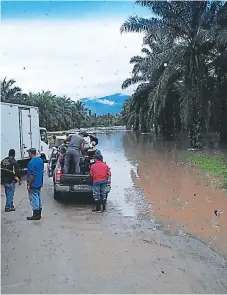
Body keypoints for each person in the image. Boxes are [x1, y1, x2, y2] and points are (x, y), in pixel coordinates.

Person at [26, 148, 44, 220]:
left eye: (28, 153)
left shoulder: (31, 162)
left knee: (34, 198)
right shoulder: (40, 160)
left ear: (30, 153)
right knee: (38, 197)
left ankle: (35, 214)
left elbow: (32, 175)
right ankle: (39, 213)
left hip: (34, 183)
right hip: (39, 182)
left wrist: (29, 184)